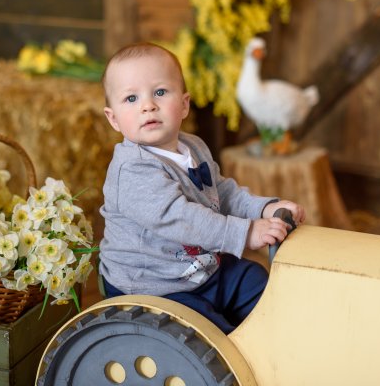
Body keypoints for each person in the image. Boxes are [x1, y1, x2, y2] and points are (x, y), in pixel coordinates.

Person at [99, 42, 305, 334]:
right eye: (131, 98)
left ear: (184, 104)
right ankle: (239, 348)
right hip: (155, 286)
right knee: (209, 331)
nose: (148, 105)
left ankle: (276, 334)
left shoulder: (193, 146)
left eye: (160, 92)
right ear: (113, 119)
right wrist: (245, 232)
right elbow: (182, 219)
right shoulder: (132, 170)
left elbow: (222, 192)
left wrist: (263, 208)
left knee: (254, 279)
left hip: (202, 269)